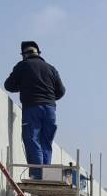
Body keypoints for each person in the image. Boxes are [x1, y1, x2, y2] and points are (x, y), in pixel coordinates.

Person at [4, 41, 66, 179]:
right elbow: (61, 91)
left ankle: (37, 176)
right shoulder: (51, 68)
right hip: (50, 110)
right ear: (38, 53)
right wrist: (48, 96)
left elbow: (8, 85)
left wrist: (25, 86)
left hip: (32, 108)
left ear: (24, 55)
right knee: (46, 142)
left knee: (32, 140)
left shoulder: (23, 66)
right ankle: (46, 176)